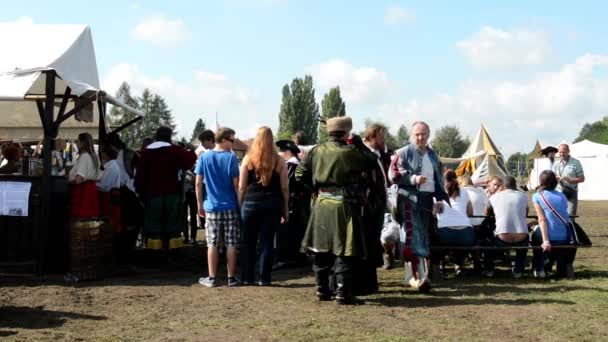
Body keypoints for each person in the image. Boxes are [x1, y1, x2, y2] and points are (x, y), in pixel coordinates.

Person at [296, 116, 377, 304]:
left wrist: (316, 190)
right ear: (346, 132)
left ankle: (322, 290)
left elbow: (299, 175)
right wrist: (359, 144)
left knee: (321, 249)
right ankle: (343, 293)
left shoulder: (315, 151)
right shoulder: (349, 152)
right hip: (343, 205)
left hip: (322, 203)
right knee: (344, 250)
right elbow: (372, 161)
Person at [389, 121, 448, 292]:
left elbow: (438, 180)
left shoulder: (433, 155)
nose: (420, 137)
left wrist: (439, 200)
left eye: (423, 134)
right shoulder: (403, 153)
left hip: (427, 200)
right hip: (409, 199)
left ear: (428, 135)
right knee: (411, 235)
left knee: (422, 236)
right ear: (412, 135)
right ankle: (416, 276)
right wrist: (413, 179)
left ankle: (415, 276)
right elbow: (394, 173)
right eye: (417, 134)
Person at [237, 127, 289, 286]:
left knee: (249, 242)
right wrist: (285, 208)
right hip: (273, 204)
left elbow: (241, 187)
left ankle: (247, 277)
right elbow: (285, 188)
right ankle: (264, 278)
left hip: (251, 204)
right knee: (267, 242)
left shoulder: (247, 159)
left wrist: (239, 206)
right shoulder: (279, 160)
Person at [134, 127, 197, 252]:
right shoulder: (176, 150)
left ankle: (155, 254)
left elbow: (140, 176)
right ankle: (174, 253)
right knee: (173, 224)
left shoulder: (146, 153)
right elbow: (190, 160)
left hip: (152, 195)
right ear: (170, 137)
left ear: (156, 136)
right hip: (172, 194)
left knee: (154, 224)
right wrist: (191, 149)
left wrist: (140, 192)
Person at [196, 127, 241, 287]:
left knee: (212, 242)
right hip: (230, 205)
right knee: (231, 242)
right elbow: (237, 185)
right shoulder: (231, 159)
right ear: (222, 140)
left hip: (212, 206)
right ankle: (231, 278)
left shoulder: (204, 158)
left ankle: (212, 278)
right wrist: (240, 203)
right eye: (232, 140)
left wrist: (199, 204)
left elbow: (198, 183)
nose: (233, 143)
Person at [355, 123, 389, 295]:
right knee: (367, 243)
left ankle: (370, 282)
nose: (384, 140)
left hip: (375, 206)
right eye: (381, 136)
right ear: (372, 137)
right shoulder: (363, 155)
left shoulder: (377, 155)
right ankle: (366, 283)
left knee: (372, 242)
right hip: (368, 206)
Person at [531, 170, 577, 279]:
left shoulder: (537, 196)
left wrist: (546, 241)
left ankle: (540, 267)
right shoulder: (561, 196)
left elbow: (542, 219)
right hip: (564, 236)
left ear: (540, 181)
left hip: (549, 236)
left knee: (535, 235)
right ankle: (553, 263)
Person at [483, 176, 529, 278]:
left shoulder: (494, 197)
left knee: (486, 241)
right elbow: (525, 214)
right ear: (515, 185)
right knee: (526, 239)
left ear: (502, 186)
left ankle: (489, 270)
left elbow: (486, 214)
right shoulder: (523, 196)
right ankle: (518, 271)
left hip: (502, 238)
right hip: (521, 237)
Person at [274, 139, 308, 269]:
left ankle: (285, 258)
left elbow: (285, 186)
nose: (280, 153)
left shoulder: (290, 165)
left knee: (287, 231)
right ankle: (294, 257)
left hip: (292, 202)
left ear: (287, 151)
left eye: (281, 151)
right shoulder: (298, 164)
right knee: (295, 231)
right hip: (298, 202)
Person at [434, 169, 475, 276]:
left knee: (438, 240)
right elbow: (470, 212)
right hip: (466, 233)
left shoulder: (439, 192)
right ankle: (458, 265)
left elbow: (435, 212)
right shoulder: (465, 192)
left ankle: (441, 266)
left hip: (445, 233)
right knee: (461, 242)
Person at [68, 133, 101, 219]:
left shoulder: (84, 156)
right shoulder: (95, 156)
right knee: (90, 219)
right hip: (91, 190)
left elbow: (79, 179)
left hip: (83, 191)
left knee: (81, 220)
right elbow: (98, 177)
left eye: (78, 141)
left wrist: (70, 180)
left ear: (83, 143)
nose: (76, 143)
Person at [552, 143, 585, 218]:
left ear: (568, 151)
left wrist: (568, 179)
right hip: (558, 193)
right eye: (560, 152)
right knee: (558, 216)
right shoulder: (556, 164)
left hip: (571, 193)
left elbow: (582, 179)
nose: (561, 154)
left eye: (563, 152)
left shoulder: (576, 162)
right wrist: (554, 179)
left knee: (570, 217)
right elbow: (552, 179)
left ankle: (570, 229)